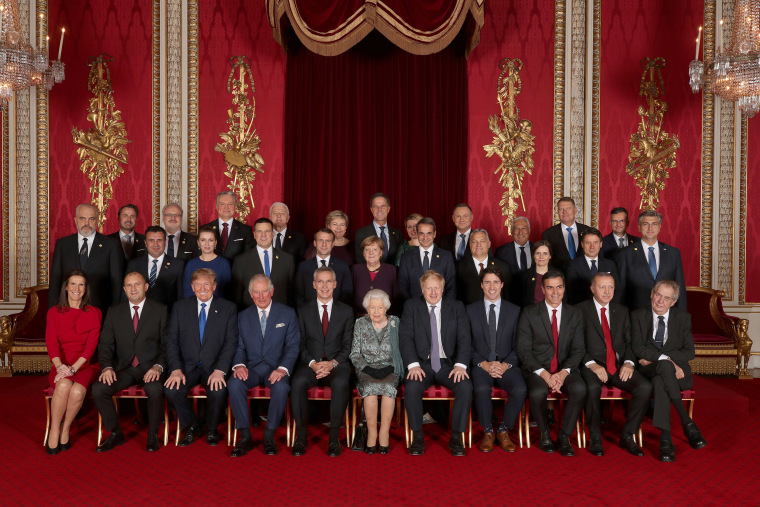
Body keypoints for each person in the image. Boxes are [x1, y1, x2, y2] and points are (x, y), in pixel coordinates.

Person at [93, 272, 169, 452]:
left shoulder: (161, 310)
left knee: (154, 389)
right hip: (124, 368)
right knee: (99, 388)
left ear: (146, 287)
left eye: (137, 284)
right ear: (124, 289)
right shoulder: (114, 311)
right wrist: (107, 367)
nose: (133, 289)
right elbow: (105, 344)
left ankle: (152, 435)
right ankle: (115, 433)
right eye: (129, 285)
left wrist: (159, 366)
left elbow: (168, 345)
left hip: (150, 367)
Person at [631, 280, 706, 462]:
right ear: (651, 294)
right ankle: (686, 422)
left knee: (660, 380)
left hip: (675, 374)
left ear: (673, 302)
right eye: (658, 295)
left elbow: (690, 352)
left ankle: (666, 439)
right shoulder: (638, 315)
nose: (660, 301)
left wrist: (663, 359)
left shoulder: (682, 318)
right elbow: (637, 347)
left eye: (666, 298)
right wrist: (668, 360)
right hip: (649, 369)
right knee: (663, 368)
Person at [400, 270, 472, 456]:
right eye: (429, 288)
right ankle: (417, 437)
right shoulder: (412, 306)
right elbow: (405, 338)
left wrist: (460, 365)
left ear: (443, 289)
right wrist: (412, 364)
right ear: (422, 290)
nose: (433, 292)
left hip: (448, 364)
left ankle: (456, 438)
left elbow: (465, 338)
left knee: (465, 386)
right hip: (421, 364)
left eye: (437, 288)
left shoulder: (456, 307)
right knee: (412, 387)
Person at [578, 273, 651, 457]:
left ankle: (628, 434)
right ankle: (595, 435)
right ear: (592, 289)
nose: (607, 291)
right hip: (592, 365)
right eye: (602, 287)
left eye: (610, 287)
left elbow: (629, 343)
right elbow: (575, 344)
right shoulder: (579, 310)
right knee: (593, 387)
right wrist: (591, 364)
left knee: (644, 386)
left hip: (617, 365)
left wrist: (628, 363)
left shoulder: (622, 310)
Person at [164, 268, 238, 447]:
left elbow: (231, 343)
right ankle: (192, 425)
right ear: (192, 286)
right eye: (198, 284)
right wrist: (175, 369)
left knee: (218, 391)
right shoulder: (180, 307)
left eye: (207, 284)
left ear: (214, 286)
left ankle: (212, 429)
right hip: (187, 366)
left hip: (214, 366)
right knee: (171, 390)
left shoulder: (228, 308)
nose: (202, 288)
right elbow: (171, 341)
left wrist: (220, 370)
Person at [516, 270, 586, 456]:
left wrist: (562, 374)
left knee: (580, 388)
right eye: (550, 287)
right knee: (538, 391)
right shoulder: (529, 313)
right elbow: (523, 351)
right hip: (538, 370)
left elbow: (579, 349)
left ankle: (564, 436)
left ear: (564, 288)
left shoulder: (575, 313)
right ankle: (545, 434)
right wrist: (546, 375)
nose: (555, 292)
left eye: (559, 287)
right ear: (542, 289)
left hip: (565, 369)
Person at [229, 275, 300, 457]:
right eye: (256, 292)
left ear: (272, 291)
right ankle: (245, 436)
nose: (261, 296)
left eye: (265, 291)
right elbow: (238, 346)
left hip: (275, 368)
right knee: (234, 383)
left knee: (282, 387)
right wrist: (239, 365)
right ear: (251, 294)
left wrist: (283, 369)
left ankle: (269, 435)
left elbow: (293, 346)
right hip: (251, 368)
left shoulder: (287, 313)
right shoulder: (242, 316)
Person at [292, 267, 355, 457]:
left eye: (329, 281)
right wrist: (312, 363)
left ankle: (334, 438)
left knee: (341, 383)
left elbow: (348, 345)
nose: (325, 286)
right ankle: (301, 437)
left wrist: (332, 363)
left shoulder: (346, 311)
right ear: (314, 285)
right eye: (320, 281)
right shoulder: (303, 310)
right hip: (310, 363)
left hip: (337, 363)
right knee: (298, 383)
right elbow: (299, 344)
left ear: (335, 284)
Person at [467, 267, 526, 453]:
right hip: (481, 364)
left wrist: (505, 364)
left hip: (507, 364)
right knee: (482, 388)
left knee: (520, 388)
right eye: (487, 282)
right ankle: (487, 431)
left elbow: (520, 345)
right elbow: (466, 345)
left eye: (495, 282)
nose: (491, 286)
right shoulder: (470, 310)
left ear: (502, 285)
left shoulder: (515, 311)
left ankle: (503, 430)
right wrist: (483, 363)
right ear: (481, 285)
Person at [44, 270, 102, 454]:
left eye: (81, 284)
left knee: (77, 390)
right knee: (62, 386)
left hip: (85, 364)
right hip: (60, 363)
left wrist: (73, 369)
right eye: (73, 284)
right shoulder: (54, 312)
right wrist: (61, 367)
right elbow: (51, 342)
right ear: (66, 287)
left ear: (85, 289)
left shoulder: (94, 313)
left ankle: (66, 427)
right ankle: (54, 429)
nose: (77, 288)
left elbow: (91, 347)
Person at [350, 289, 404, 454]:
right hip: (366, 369)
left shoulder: (396, 323)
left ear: (386, 308)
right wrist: (367, 369)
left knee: (389, 389)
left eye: (380, 307)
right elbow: (354, 353)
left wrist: (390, 368)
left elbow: (402, 351)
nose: (376, 312)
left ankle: (384, 432)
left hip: (391, 368)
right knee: (371, 390)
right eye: (372, 308)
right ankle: (372, 433)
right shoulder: (360, 324)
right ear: (367, 308)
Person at [49, 203, 123, 315]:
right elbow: (55, 281)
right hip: (67, 310)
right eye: (82, 218)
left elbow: (117, 283)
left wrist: (115, 313)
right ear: (75, 220)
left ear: (97, 220)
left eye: (91, 219)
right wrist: (53, 311)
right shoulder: (63, 244)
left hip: (101, 311)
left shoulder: (111, 245)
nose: (86, 223)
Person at [617, 210, 687, 310]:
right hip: (635, 314)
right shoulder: (625, 254)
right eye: (646, 224)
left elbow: (680, 289)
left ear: (660, 227)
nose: (650, 228)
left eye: (654, 224)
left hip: (667, 313)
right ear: (639, 227)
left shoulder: (673, 253)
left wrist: (682, 316)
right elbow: (621, 290)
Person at [231, 217, 295, 308]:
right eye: (259, 231)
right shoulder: (241, 260)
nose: (263, 235)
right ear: (254, 235)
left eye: (267, 231)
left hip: (280, 314)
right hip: (251, 313)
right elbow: (236, 295)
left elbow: (291, 293)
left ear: (273, 234)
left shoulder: (287, 259)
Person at [125, 226, 184, 311]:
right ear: (145, 243)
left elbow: (181, 295)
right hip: (140, 315)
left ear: (165, 242)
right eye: (151, 240)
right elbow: (126, 292)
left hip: (168, 315)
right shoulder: (134, 264)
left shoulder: (178, 265)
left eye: (159, 240)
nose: (155, 244)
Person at [398, 217, 456, 301]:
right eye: (422, 233)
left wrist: (443, 309)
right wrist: (413, 307)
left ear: (434, 234)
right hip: (414, 309)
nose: (425, 237)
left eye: (429, 233)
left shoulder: (446, 256)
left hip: (441, 309)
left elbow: (451, 287)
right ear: (417, 234)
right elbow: (403, 287)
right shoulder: (406, 257)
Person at [295, 228, 353, 306]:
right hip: (309, 314)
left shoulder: (343, 266)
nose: (324, 244)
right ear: (315, 243)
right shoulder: (303, 267)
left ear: (333, 244)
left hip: (336, 315)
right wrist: (306, 312)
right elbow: (298, 295)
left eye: (328, 241)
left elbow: (347, 293)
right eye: (320, 240)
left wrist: (336, 311)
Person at [456, 229, 511, 305]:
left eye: (482, 241)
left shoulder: (503, 267)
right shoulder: (458, 268)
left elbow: (508, 297)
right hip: (467, 314)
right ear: (470, 245)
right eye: (474, 242)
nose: (478, 244)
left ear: (489, 244)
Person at [565, 227, 619, 305]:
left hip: (607, 308)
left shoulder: (610, 264)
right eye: (588, 243)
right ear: (582, 244)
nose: (592, 246)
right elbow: (571, 293)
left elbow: (617, 289)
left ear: (601, 244)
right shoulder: (573, 265)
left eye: (596, 242)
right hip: (582, 309)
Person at [200, 191, 254, 260]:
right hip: (211, 270)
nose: (226, 207)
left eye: (230, 204)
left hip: (236, 270)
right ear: (216, 206)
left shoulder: (246, 230)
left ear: (235, 206)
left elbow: (249, 257)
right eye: (222, 204)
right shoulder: (204, 229)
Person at [351, 236, 399, 315]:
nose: (371, 253)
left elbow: (397, 299)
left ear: (381, 252)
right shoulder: (355, 270)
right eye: (367, 249)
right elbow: (349, 297)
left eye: (375, 249)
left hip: (385, 319)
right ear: (363, 253)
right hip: (358, 318)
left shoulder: (392, 270)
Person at [541, 197, 589, 272]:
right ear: (558, 212)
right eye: (561, 209)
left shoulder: (587, 230)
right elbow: (546, 261)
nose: (565, 212)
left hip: (585, 278)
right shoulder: (548, 234)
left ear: (575, 210)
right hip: (559, 280)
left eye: (568, 209)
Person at [182, 225, 232, 298]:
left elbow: (227, 292)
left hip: (219, 306)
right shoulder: (191, 264)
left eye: (210, 240)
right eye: (203, 240)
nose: (207, 244)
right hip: (194, 306)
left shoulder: (224, 263)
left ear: (215, 242)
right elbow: (187, 291)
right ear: (198, 242)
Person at [354, 193, 403, 264]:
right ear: (371, 209)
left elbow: (399, 259)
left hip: (393, 274)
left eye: (383, 206)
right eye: (375, 206)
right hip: (369, 274)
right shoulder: (361, 233)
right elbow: (360, 261)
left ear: (388, 209)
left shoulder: (398, 234)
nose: (379, 210)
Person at [513, 240, 554, 307]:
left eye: (545, 253)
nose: (541, 257)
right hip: (531, 315)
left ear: (550, 256)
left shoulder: (559, 275)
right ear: (533, 255)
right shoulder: (523, 277)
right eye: (538, 253)